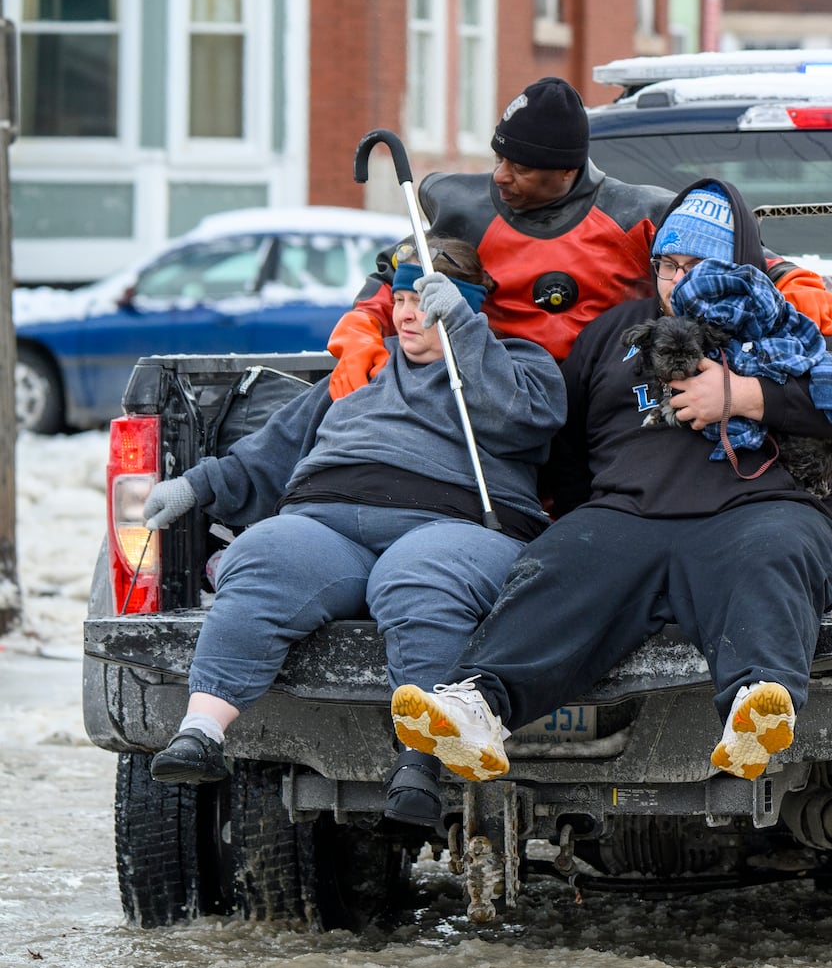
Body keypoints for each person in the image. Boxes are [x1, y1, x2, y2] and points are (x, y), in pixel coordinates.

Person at [386, 180, 832, 787]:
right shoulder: (611, 333)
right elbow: (563, 450)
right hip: (625, 516)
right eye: (667, 266)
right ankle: (479, 708)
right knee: (560, 561)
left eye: (697, 266)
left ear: (738, 265)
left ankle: (757, 709)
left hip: (758, 506)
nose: (678, 281)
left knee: (773, 557)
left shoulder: (783, 320)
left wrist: (746, 395)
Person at [139, 237, 566, 830]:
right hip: (326, 521)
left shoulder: (517, 364)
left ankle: (418, 762)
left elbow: (526, 419)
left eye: (429, 299)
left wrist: (465, 333)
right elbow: (274, 449)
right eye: (403, 297)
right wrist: (195, 486)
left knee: (418, 576)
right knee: (264, 554)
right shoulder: (366, 364)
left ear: (464, 304)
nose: (411, 312)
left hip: (454, 525)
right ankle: (201, 734)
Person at [326, 76, 832, 396]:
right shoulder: (459, 207)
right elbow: (393, 279)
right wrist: (359, 333)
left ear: (565, 171)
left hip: (611, 405)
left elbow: (735, 257)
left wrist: (794, 281)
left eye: (521, 167)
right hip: (493, 404)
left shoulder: (634, 214)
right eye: (499, 159)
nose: (501, 176)